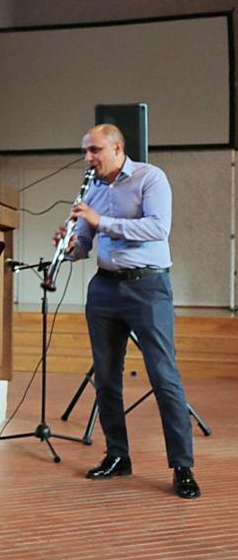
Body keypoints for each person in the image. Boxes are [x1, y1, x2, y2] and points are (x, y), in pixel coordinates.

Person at [55, 123, 199, 499]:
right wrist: (69, 246)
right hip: (104, 287)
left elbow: (157, 228)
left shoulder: (151, 178)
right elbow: (85, 244)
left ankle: (182, 466)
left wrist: (101, 221)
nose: (89, 158)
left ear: (118, 148)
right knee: (106, 378)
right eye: (86, 151)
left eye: (95, 150)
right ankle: (118, 455)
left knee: (164, 376)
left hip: (147, 286)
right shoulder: (92, 189)